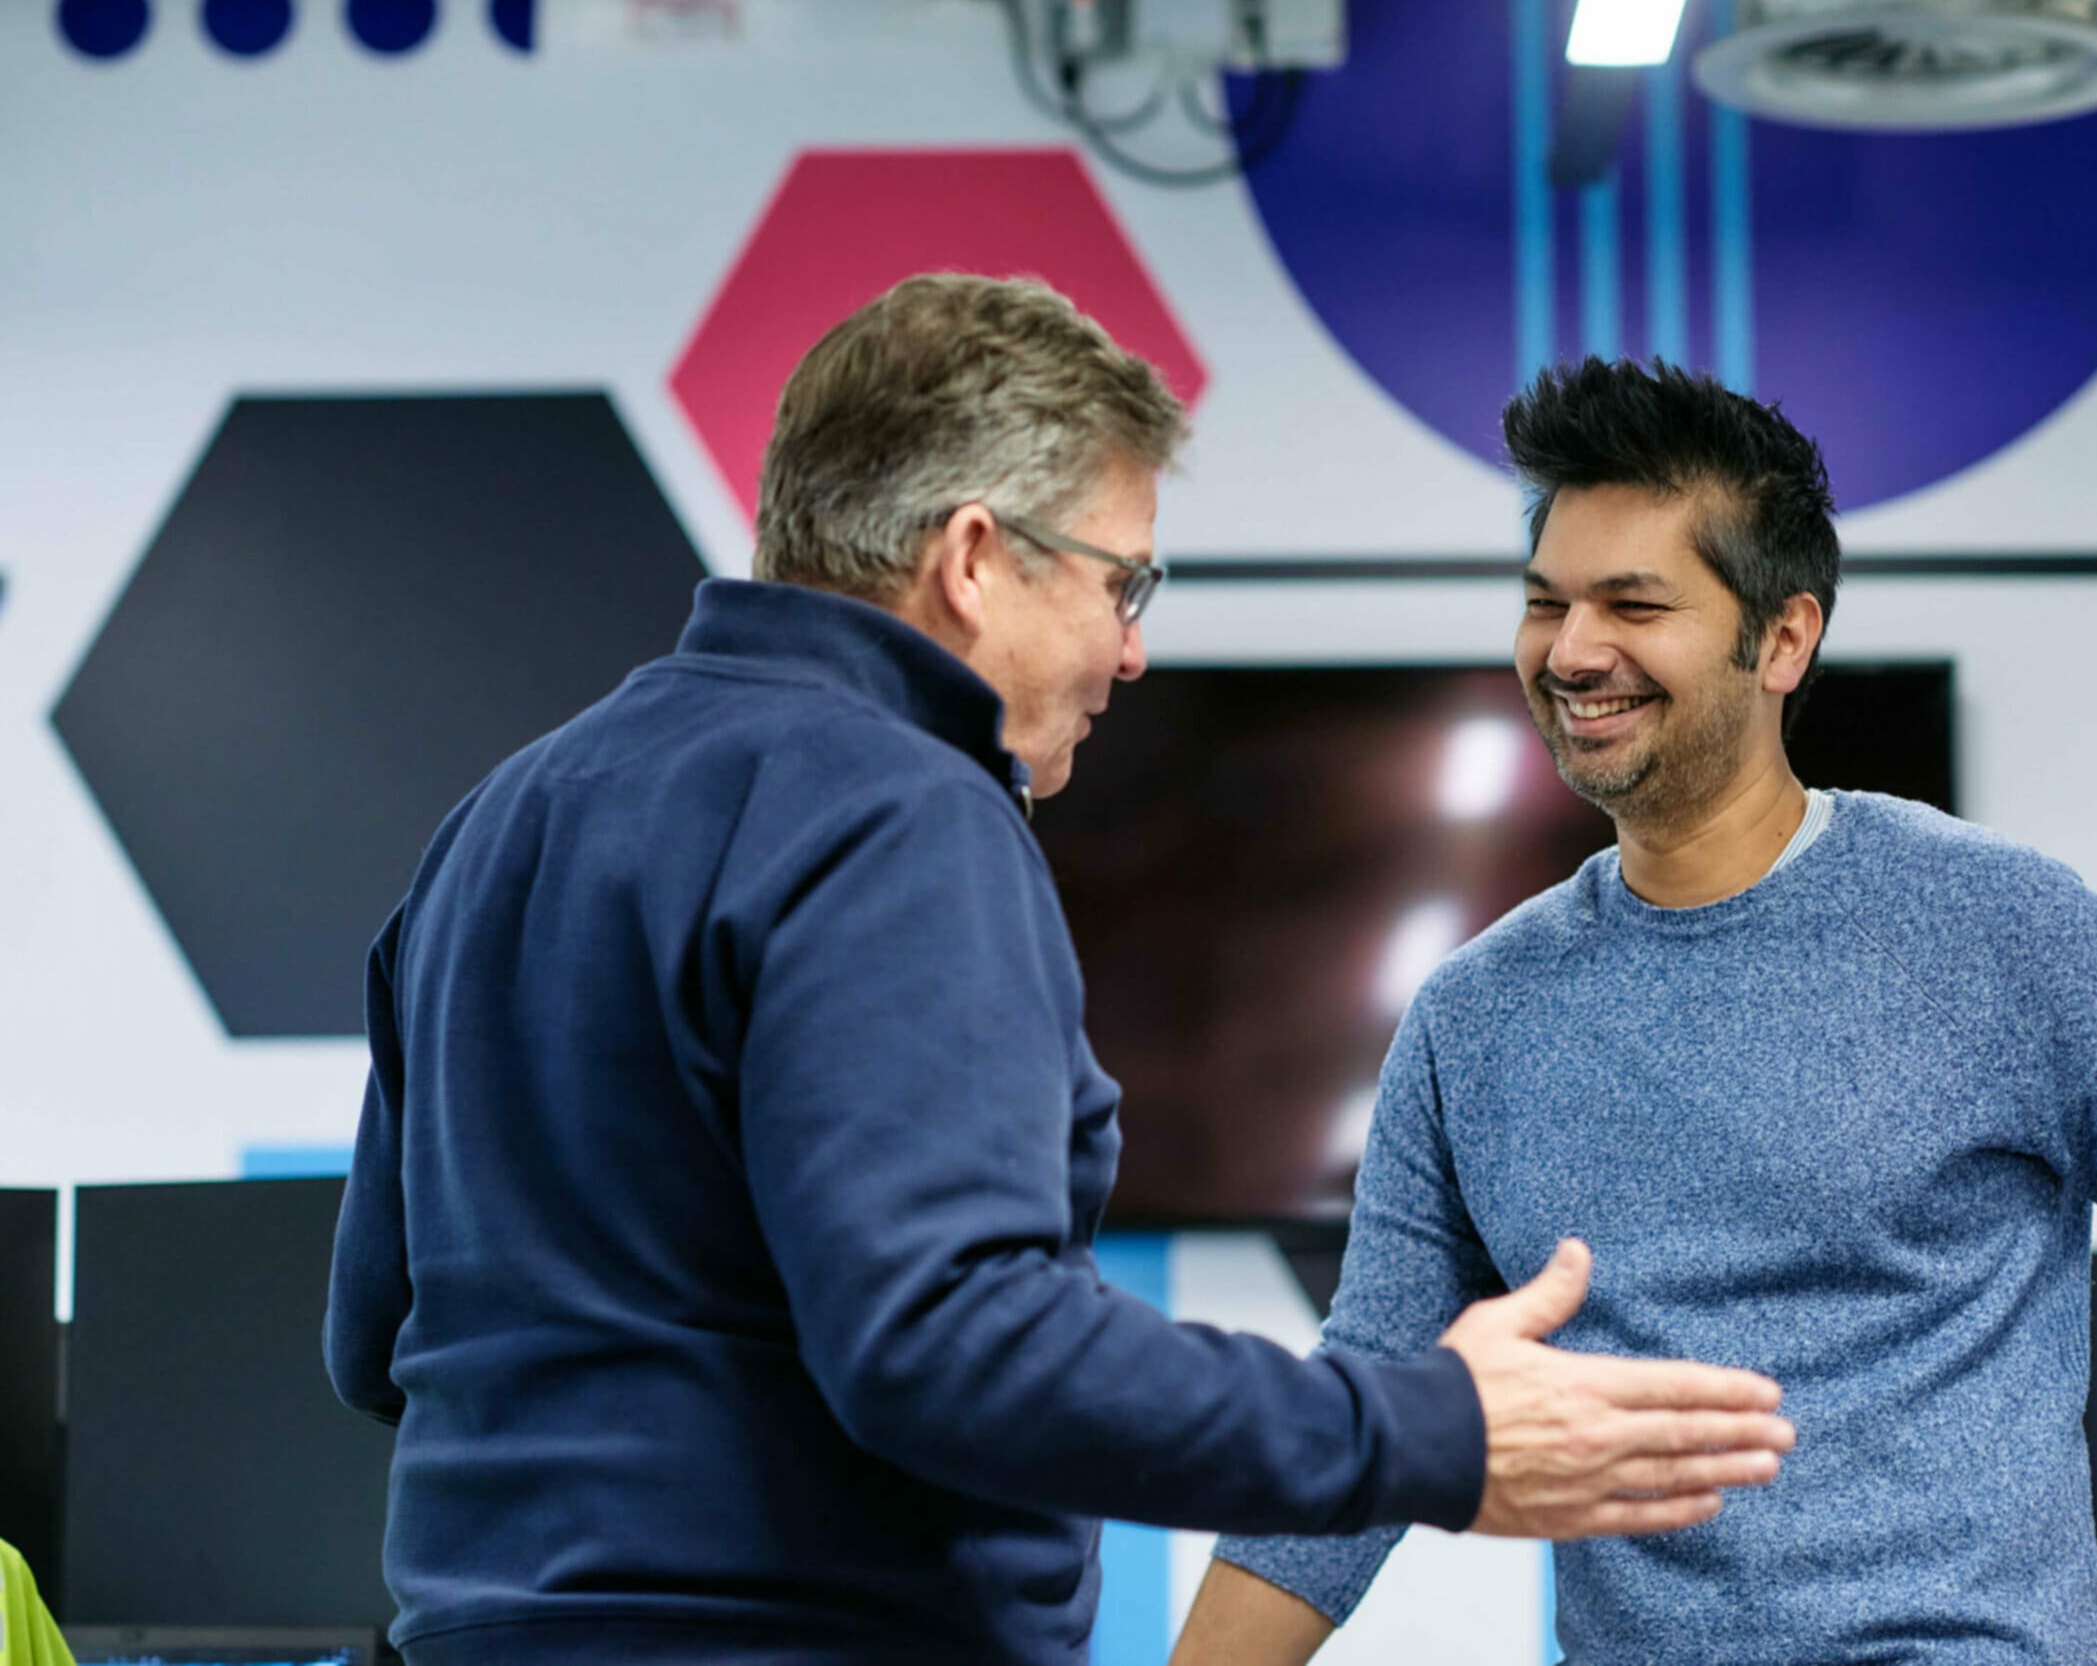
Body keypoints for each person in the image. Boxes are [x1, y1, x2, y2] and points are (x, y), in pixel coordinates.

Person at [322, 277, 1798, 1666]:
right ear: (972, 559)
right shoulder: (896, 807)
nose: (1132, 649)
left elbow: (374, 1342)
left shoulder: (501, 818)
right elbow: (949, 1342)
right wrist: (1435, 1429)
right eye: (1121, 581)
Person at [1176, 359, 2097, 1665]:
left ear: (1785, 637)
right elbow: (1360, 1443)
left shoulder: (2000, 929)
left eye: (1633, 604)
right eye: (1546, 603)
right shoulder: (1473, 1018)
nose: (1573, 651)